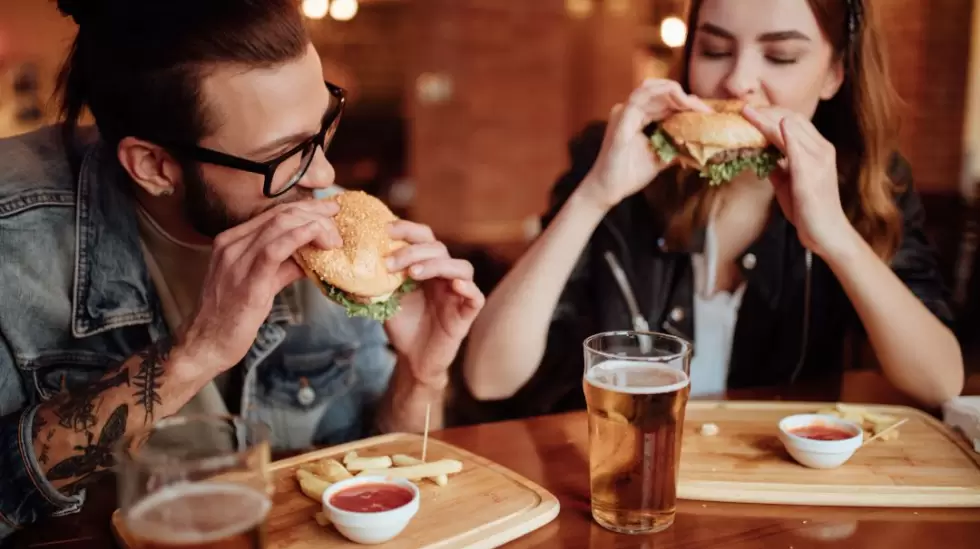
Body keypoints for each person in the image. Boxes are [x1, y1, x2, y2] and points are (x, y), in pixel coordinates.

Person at [0, 0, 483, 537]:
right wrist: (197, 352)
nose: (324, 173)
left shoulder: (337, 239)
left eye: (324, 123)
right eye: (284, 156)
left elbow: (376, 474)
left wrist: (419, 375)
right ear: (155, 166)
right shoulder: (13, 238)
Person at [462, 0, 963, 420]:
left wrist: (836, 237)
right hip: (617, 478)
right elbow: (488, 377)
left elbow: (940, 383)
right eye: (715, 49)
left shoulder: (867, 182)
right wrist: (595, 195)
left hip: (776, 492)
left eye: (781, 56)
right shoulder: (614, 156)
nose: (737, 81)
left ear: (835, 73)